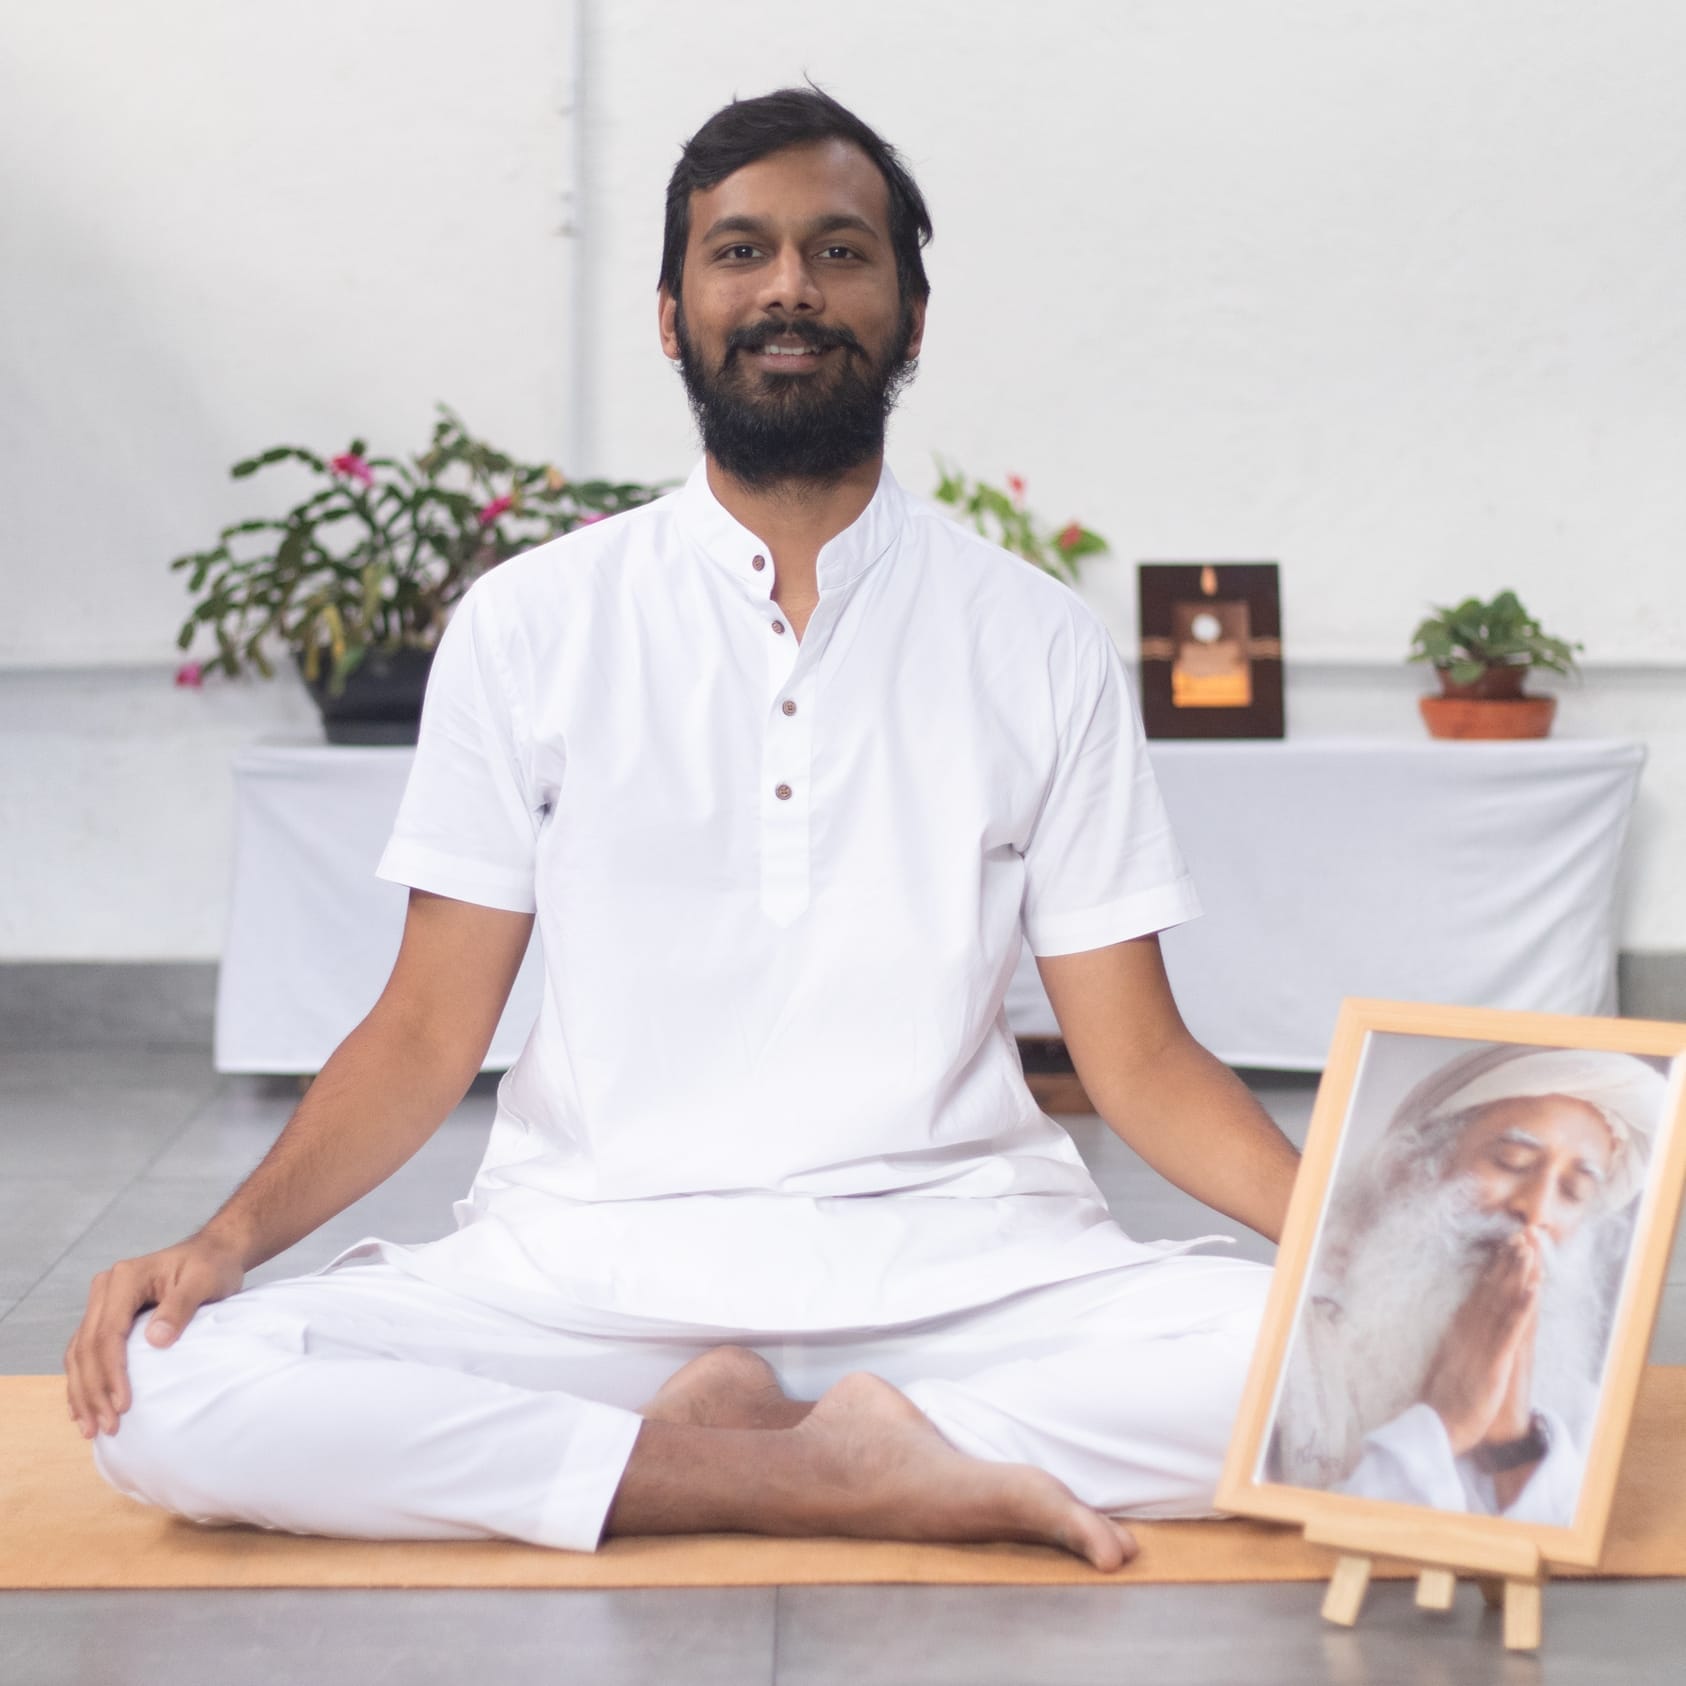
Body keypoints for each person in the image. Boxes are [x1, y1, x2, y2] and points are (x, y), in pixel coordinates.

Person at [65, 86, 1301, 1572]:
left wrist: (1367, 1245)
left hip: (967, 1266)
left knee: (1372, 1357)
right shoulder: (533, 622)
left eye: (839, 252)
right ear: (671, 313)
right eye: (740, 251)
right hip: (587, 1271)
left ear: (910, 316)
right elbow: (421, 1028)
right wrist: (228, 1240)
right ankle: (853, 1466)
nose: (788, 285)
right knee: (170, 1391)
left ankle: (715, 1453)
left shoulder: (1031, 639)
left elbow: (1142, 1061)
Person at [1272, 1046, 1666, 1523]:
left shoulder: (1584, 1410)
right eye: (1513, 1161)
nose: (1536, 1211)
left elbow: (1559, 1558)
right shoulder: (1291, 1352)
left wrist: (1512, 1444)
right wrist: (1445, 1423)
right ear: (1412, 1167)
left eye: (1573, 1191)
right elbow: (1318, 1550)